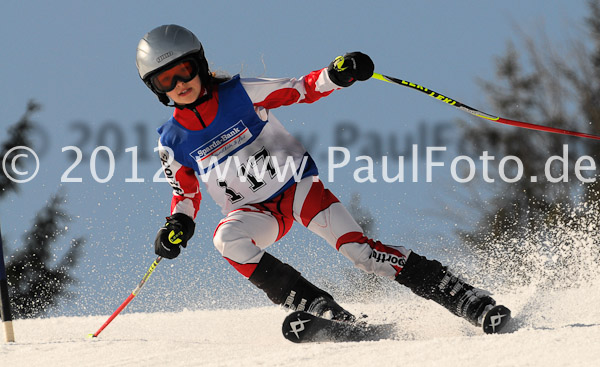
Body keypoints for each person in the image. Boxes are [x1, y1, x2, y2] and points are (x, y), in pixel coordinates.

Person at [135, 24, 510, 331]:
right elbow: (183, 192)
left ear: (198, 65)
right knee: (226, 238)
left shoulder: (241, 93)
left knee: (361, 254)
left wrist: (337, 73)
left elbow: (303, 88)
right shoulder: (172, 140)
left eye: (183, 71)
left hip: (297, 188)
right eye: (165, 81)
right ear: (156, 90)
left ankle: (465, 298)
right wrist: (178, 223)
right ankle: (320, 308)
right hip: (255, 212)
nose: (179, 84)